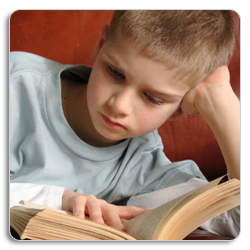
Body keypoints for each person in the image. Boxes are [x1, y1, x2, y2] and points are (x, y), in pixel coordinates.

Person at [10, 10, 240, 237]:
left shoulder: (145, 166)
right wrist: (61, 199)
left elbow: (237, 222)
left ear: (180, 107)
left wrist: (221, 102)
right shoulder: (13, 83)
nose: (120, 105)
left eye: (153, 98)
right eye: (115, 72)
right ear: (100, 46)